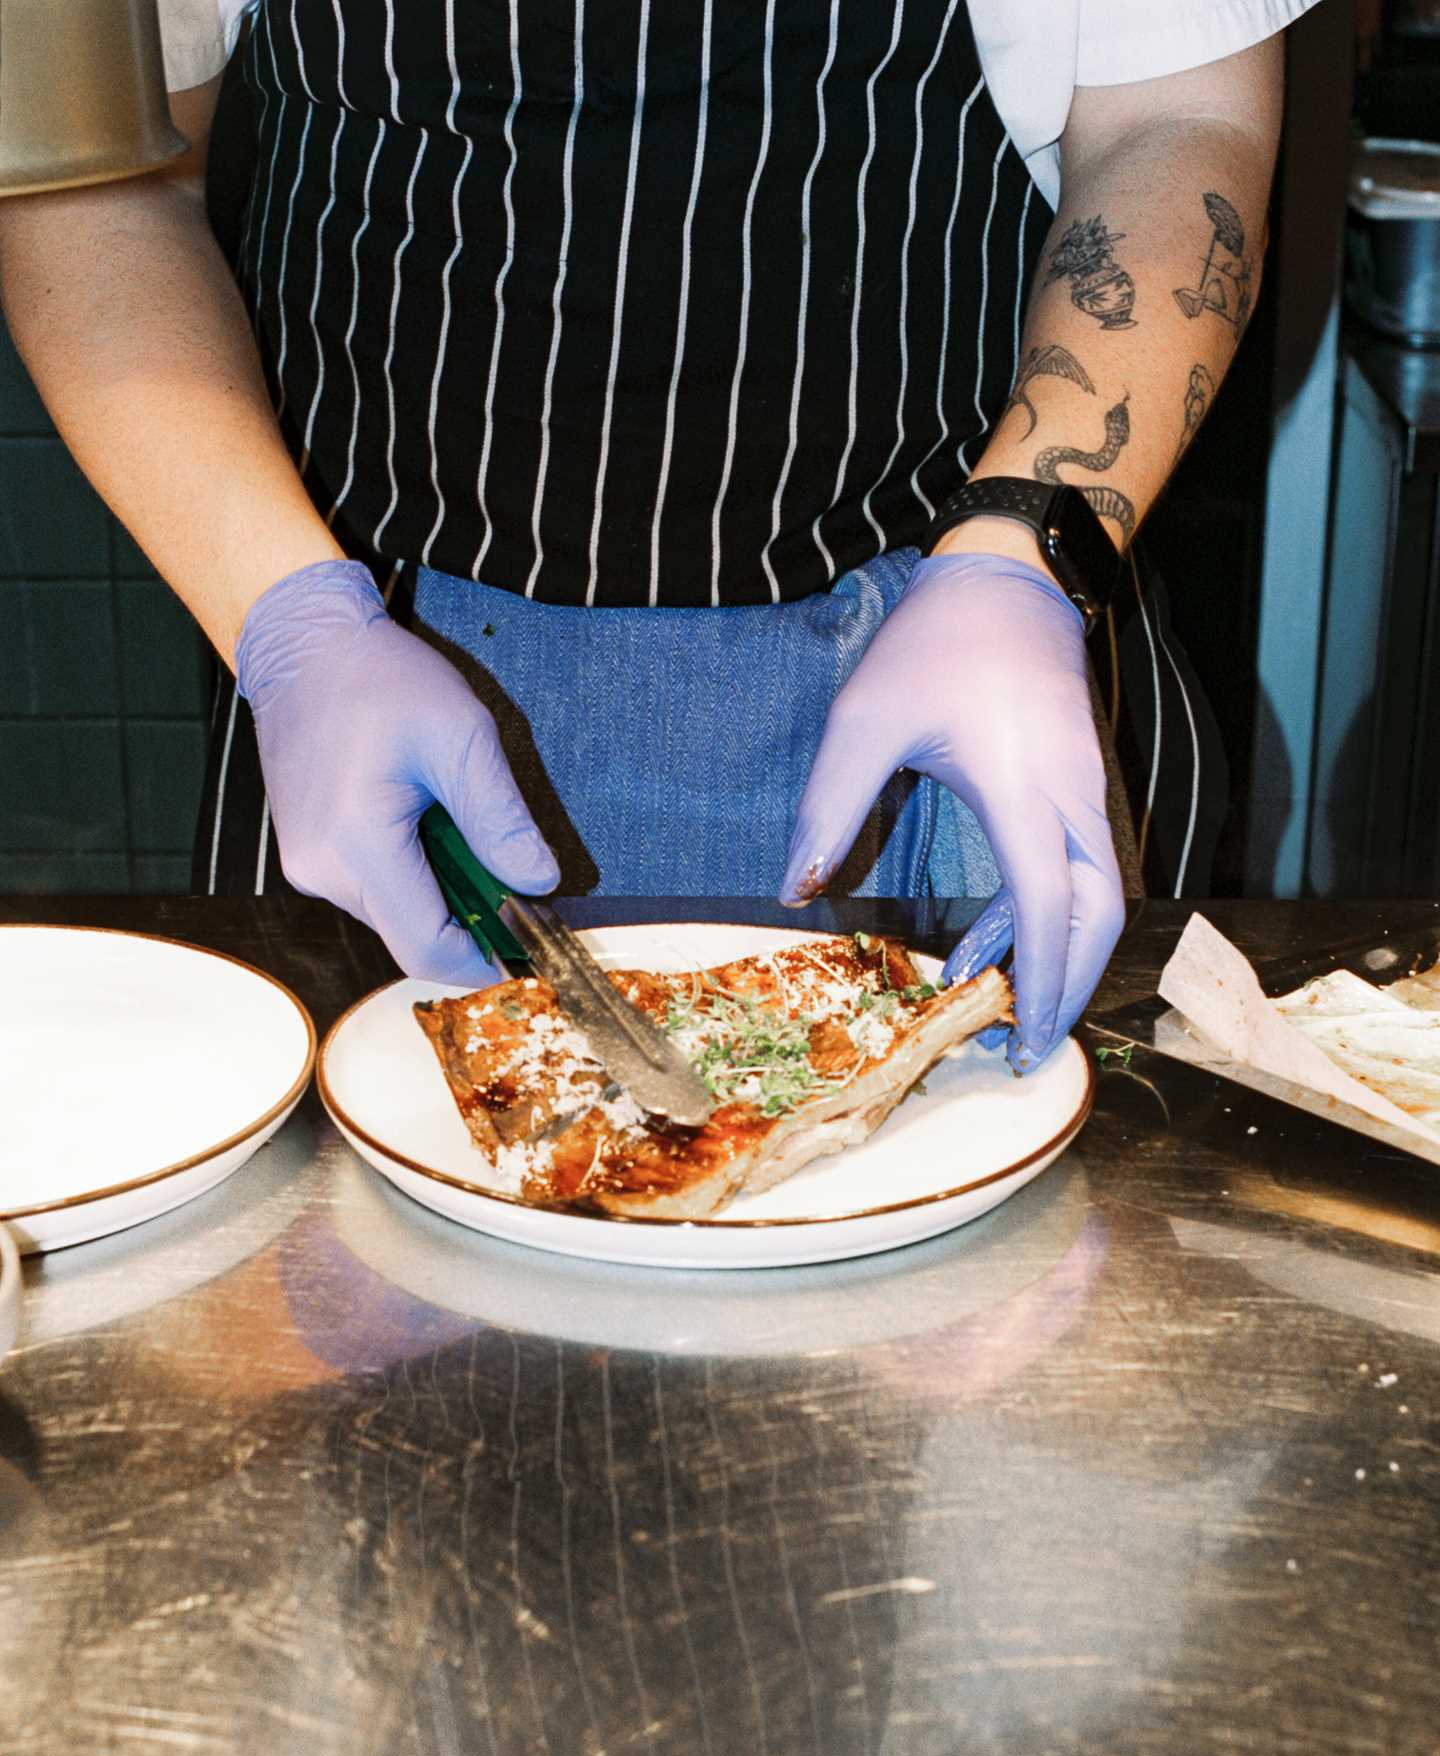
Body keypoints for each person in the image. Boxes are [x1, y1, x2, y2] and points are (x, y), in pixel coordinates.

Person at [0, 0, 1312, 1069]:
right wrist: (283, 617)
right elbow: (88, 173)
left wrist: (1020, 552)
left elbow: (1176, 116)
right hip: (376, 677)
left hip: (950, 665)